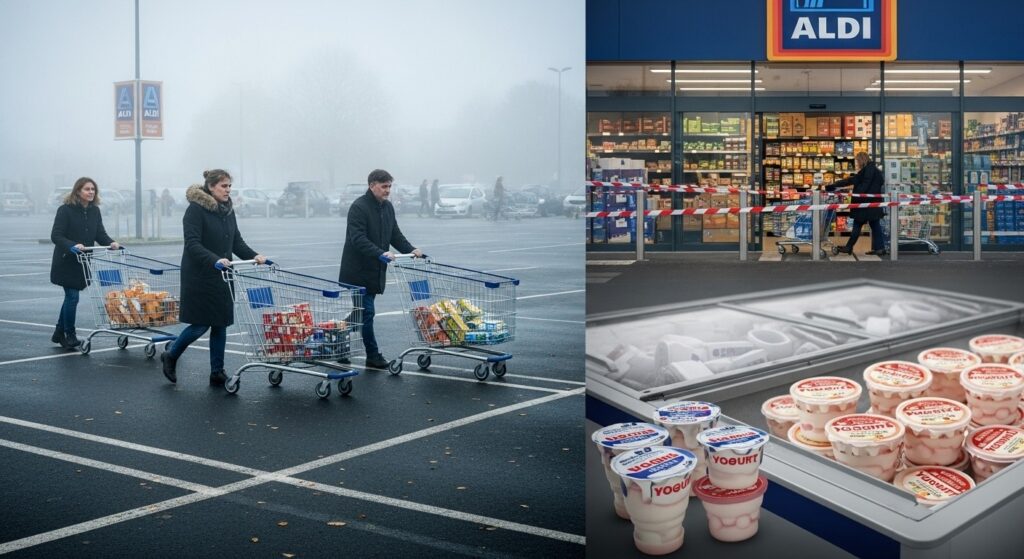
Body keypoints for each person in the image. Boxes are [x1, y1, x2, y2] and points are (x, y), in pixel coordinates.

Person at [160, 169, 266, 385]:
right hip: (200, 275)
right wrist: (214, 259)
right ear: (211, 187)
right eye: (223, 186)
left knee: (220, 323)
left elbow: (236, 242)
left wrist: (255, 256)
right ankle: (171, 355)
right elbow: (192, 244)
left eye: (229, 186)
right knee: (200, 324)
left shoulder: (227, 210)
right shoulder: (195, 210)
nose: (228, 190)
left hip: (223, 274)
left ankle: (217, 371)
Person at [338, 169, 422, 369]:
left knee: (360, 313)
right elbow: (357, 239)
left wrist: (411, 250)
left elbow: (395, 235)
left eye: (390, 186)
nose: (388, 191)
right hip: (357, 271)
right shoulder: (359, 207)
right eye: (384, 186)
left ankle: (338, 336)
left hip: (375, 270)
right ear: (371, 185)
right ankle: (373, 355)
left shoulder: (387, 207)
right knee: (367, 312)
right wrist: (380, 253)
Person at [49, 177, 119, 349]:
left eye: (93, 189)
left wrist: (111, 243)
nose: (91, 192)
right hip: (67, 261)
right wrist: (72, 245)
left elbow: (99, 234)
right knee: (72, 297)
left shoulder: (94, 211)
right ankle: (69, 335)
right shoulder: (65, 210)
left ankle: (59, 332)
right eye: (87, 189)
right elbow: (56, 235)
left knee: (70, 298)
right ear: (78, 191)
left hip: (83, 261)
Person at [828, 152, 886, 256]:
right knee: (875, 225)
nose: (856, 163)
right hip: (873, 204)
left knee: (857, 224)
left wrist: (835, 186)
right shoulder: (874, 170)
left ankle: (849, 247)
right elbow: (857, 180)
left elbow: (859, 184)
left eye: (857, 161)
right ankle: (880, 248)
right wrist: (836, 185)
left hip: (864, 204)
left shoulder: (867, 171)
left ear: (861, 160)